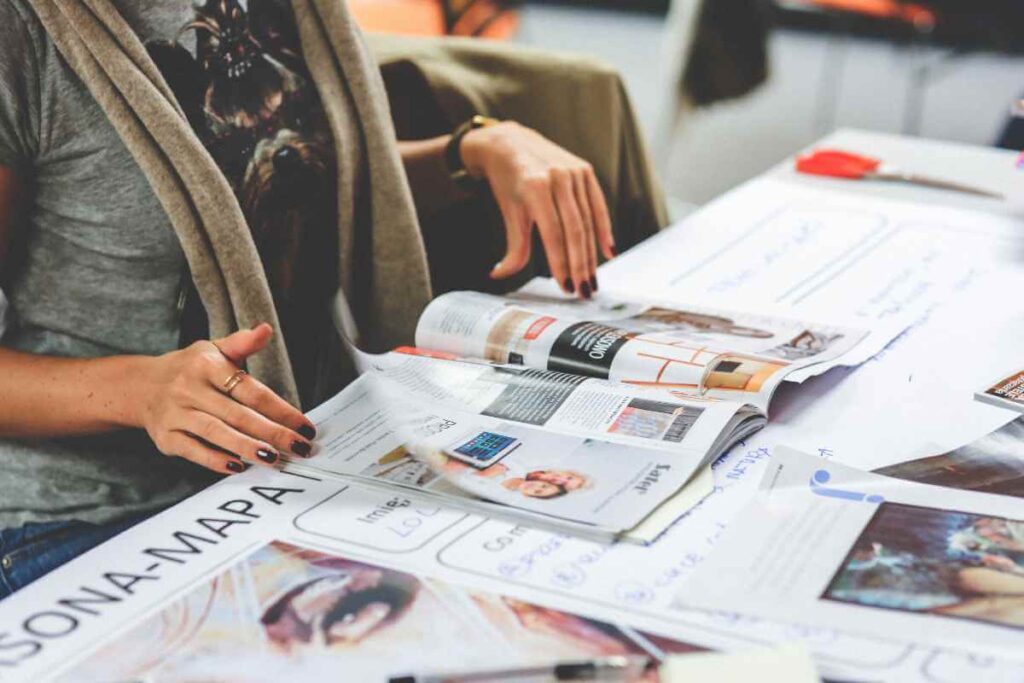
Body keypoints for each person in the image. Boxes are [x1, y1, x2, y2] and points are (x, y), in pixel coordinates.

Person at [0, 0, 617, 599]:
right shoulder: (21, 31)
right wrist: (140, 390)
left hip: (306, 461)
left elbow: (289, 183)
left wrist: (472, 152)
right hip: (92, 518)